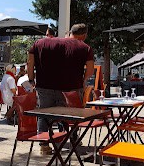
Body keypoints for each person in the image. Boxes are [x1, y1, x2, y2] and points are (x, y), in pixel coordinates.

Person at [27, 23, 95, 154]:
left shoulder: (40, 43)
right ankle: (73, 140)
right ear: (84, 35)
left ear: (70, 32)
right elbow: (90, 70)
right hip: (71, 88)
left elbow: (30, 63)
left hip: (45, 86)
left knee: (43, 115)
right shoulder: (85, 47)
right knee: (73, 114)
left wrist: (31, 79)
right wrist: (83, 80)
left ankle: (44, 145)